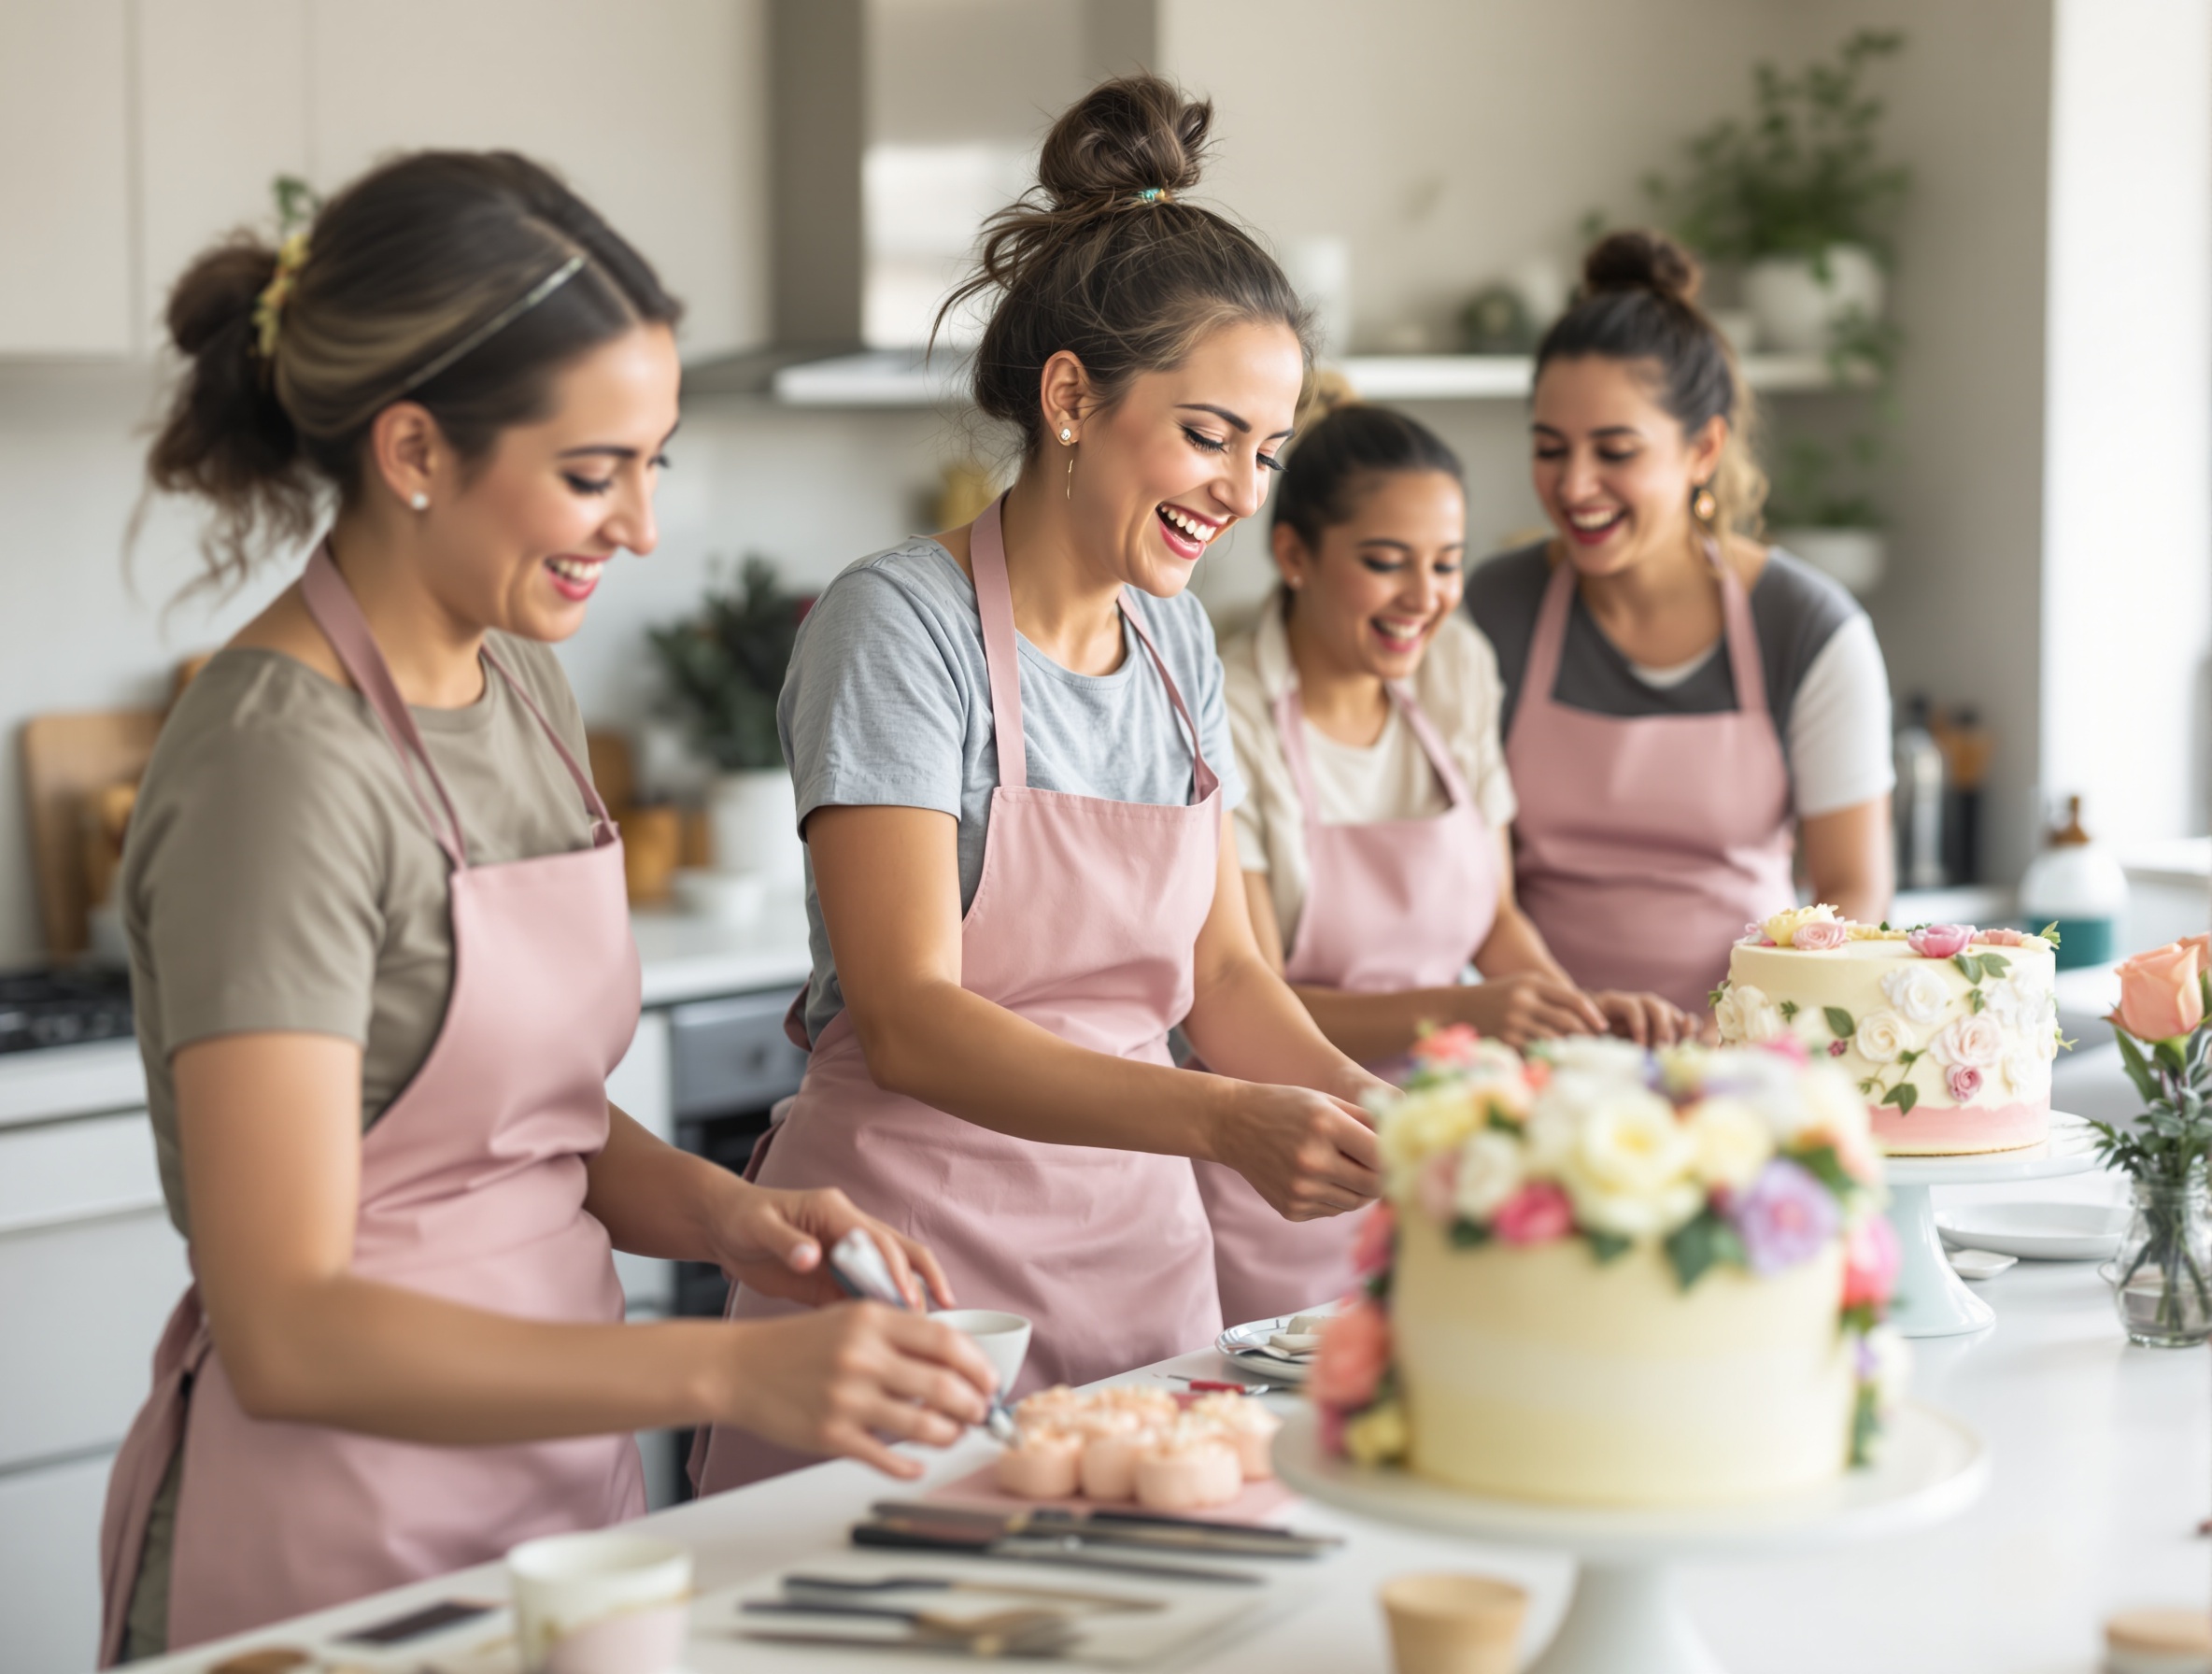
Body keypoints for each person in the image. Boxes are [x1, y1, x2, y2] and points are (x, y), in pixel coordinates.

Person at [99, 152, 995, 1663]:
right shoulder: (278, 766)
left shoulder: (519, 674)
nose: (639, 526)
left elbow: (530, 1129)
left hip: (556, 1496)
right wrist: (727, 1379)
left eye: (654, 461)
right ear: (414, 451)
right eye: (594, 472)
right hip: (337, 1539)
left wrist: (731, 1219)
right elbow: (291, 1322)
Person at [692, 76, 1386, 1493]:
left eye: (1269, 450)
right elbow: (911, 1020)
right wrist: (1229, 1123)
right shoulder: (900, 625)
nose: (1242, 492)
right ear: (1070, 396)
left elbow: (1227, 976)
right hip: (909, 1281)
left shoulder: (1183, 639)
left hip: (1142, 1282)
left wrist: (1386, 1118)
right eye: (1208, 435)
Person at [1202, 400, 1688, 1322]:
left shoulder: (1454, 665)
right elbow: (1248, 992)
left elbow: (1496, 920)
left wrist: (1572, 1021)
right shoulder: (1225, 705)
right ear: (1294, 554)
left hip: (1462, 1157)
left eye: (1446, 563)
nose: (1423, 596)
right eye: (1386, 562)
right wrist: (1468, 1009)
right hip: (1293, 1173)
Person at [1467, 231, 1895, 1015]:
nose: (1575, 485)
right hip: (1543, 1044)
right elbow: (1469, 884)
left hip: (1751, 1047)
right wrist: (1581, 1031)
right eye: (1550, 449)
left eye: (1616, 451)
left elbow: (1853, 888)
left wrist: (1756, 1025)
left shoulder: (1808, 627)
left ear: (1703, 448)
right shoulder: (1492, 612)